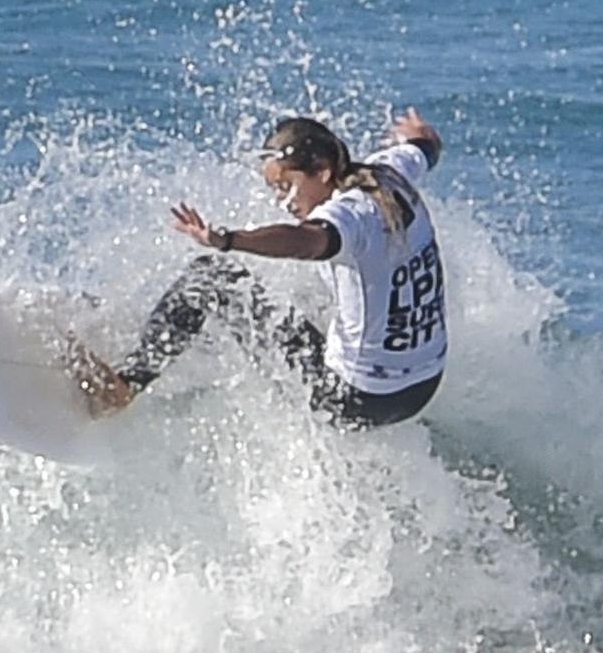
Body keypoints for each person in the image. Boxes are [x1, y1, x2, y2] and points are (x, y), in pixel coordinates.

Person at [70, 108, 448, 428]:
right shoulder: (392, 171)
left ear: (322, 170)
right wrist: (419, 135)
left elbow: (303, 242)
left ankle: (122, 387)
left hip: (354, 400)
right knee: (297, 297)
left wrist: (227, 240)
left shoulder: (348, 217)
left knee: (212, 277)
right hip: (424, 387)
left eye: (287, 186)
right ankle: (187, 337)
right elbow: (426, 147)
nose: (283, 202)